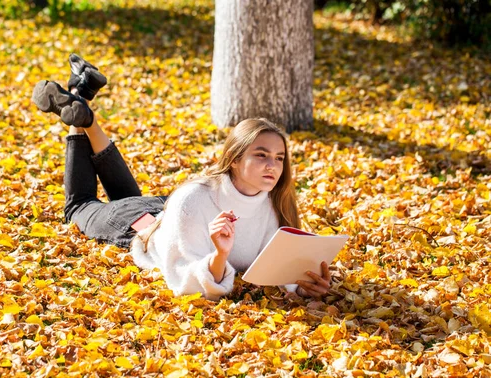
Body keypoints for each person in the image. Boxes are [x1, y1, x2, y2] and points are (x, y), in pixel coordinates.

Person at [32, 54, 332, 301]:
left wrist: (305, 285)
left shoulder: (273, 204)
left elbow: (273, 266)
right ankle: (81, 110)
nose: (273, 166)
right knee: (78, 206)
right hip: (137, 228)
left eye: (279, 158)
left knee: (126, 199)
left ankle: (83, 101)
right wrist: (219, 255)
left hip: (163, 214)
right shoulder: (196, 197)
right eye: (262, 155)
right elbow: (184, 280)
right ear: (235, 159)